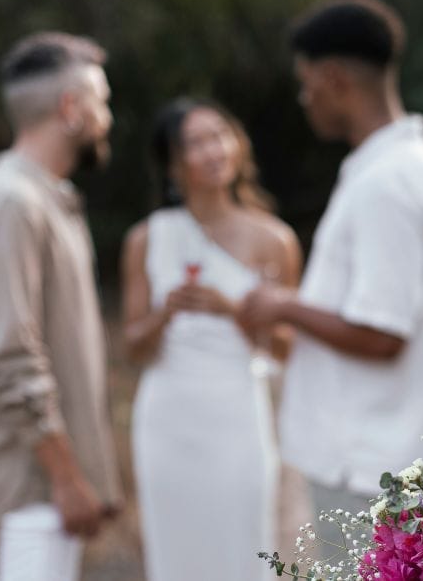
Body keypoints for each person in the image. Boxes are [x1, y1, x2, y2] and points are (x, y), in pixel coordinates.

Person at [237, 0, 423, 541]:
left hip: (372, 464)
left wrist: (282, 305)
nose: (304, 97)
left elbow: (382, 331)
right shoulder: (397, 162)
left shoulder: (388, 179)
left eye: (307, 81)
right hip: (382, 456)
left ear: (335, 77)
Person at [0, 31, 122, 581]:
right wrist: (67, 478)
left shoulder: (46, 198)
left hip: (50, 485)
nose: (107, 117)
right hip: (34, 487)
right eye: (101, 101)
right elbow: (8, 356)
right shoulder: (10, 203)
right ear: (70, 108)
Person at [120, 97, 306, 581]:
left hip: (237, 414)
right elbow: (133, 348)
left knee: (244, 544)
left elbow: (289, 349)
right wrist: (166, 311)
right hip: (167, 418)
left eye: (219, 135)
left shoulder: (275, 239)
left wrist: (233, 309)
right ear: (172, 163)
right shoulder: (148, 238)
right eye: (195, 143)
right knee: (175, 550)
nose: (212, 150)